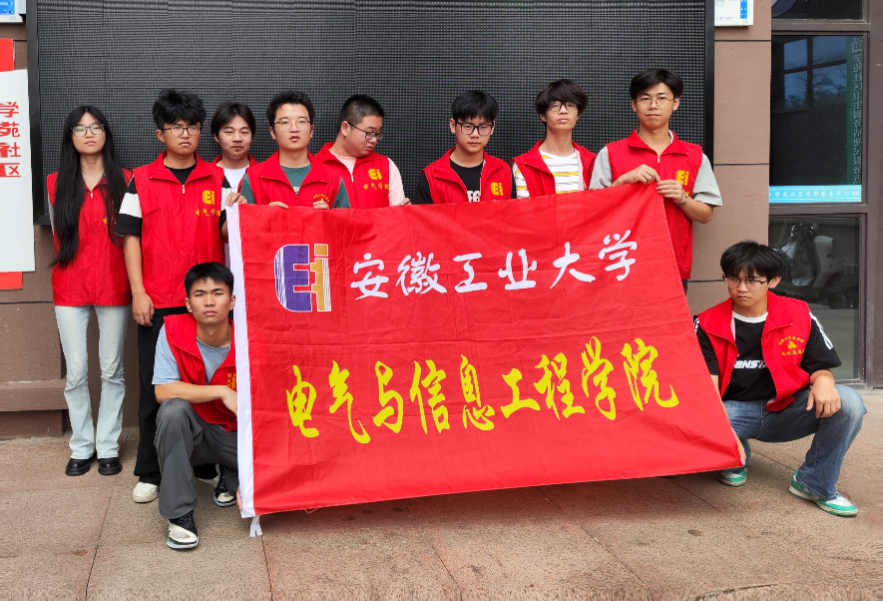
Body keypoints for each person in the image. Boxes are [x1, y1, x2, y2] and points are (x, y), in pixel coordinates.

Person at [115, 89, 233, 504]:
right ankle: (150, 471)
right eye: (176, 127)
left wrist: (237, 212)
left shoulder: (216, 178)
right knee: (157, 387)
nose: (185, 134)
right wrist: (139, 292)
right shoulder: (141, 179)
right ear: (160, 134)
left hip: (207, 301)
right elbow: (130, 237)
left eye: (192, 127)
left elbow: (227, 233)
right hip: (161, 299)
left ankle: (202, 463)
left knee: (206, 380)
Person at [695, 241, 865, 517]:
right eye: (734, 279)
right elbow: (706, 390)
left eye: (752, 281)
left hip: (787, 409)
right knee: (698, 419)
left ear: (773, 281)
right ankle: (734, 458)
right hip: (733, 411)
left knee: (849, 403)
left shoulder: (799, 314)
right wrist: (722, 432)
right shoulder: (706, 323)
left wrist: (824, 380)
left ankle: (813, 483)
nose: (741, 288)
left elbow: (820, 366)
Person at [49, 106, 131, 477]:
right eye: (80, 129)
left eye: (96, 126)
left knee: (112, 369)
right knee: (77, 372)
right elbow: (57, 235)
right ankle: (82, 446)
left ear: (106, 133)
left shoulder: (126, 180)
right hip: (70, 287)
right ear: (70, 137)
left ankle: (108, 446)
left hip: (114, 284)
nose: (89, 133)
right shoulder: (56, 183)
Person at [590, 69, 721, 292]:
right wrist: (622, 182)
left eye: (662, 98)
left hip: (671, 264)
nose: (653, 105)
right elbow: (594, 211)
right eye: (645, 99)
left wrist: (682, 198)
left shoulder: (695, 156)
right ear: (634, 105)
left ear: (675, 103)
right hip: (621, 263)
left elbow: (706, 215)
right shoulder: (610, 153)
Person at [153, 262, 239, 550]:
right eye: (200, 294)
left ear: (232, 300)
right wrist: (222, 392)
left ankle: (232, 474)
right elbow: (163, 390)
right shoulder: (172, 330)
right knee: (172, 410)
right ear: (188, 304)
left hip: (236, 435)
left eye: (218, 293)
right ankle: (179, 514)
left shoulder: (249, 338)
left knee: (272, 475)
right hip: (196, 432)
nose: (210, 301)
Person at [238, 91, 349, 209]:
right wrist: (267, 216)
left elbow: (346, 220)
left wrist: (329, 217)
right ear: (272, 132)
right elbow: (242, 220)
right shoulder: (253, 179)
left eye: (301, 121)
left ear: (311, 130)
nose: (294, 129)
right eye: (285, 122)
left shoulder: (333, 179)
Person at [413, 90, 514, 205]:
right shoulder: (430, 177)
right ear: (453, 125)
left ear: (492, 128)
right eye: (467, 126)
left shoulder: (504, 172)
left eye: (483, 127)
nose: (475, 134)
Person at [313, 94, 409, 208]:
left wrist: (406, 213)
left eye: (377, 134)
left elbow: (398, 216)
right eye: (369, 133)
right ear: (345, 128)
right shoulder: (313, 167)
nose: (374, 140)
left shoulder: (386, 166)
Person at [512, 79, 596, 198]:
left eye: (570, 105)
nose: (563, 111)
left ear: (578, 114)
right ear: (543, 115)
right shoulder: (523, 166)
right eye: (555, 106)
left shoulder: (591, 163)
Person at [210, 101, 258, 192]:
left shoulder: (265, 175)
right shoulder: (203, 176)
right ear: (216, 136)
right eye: (229, 132)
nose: (237, 138)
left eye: (244, 132)